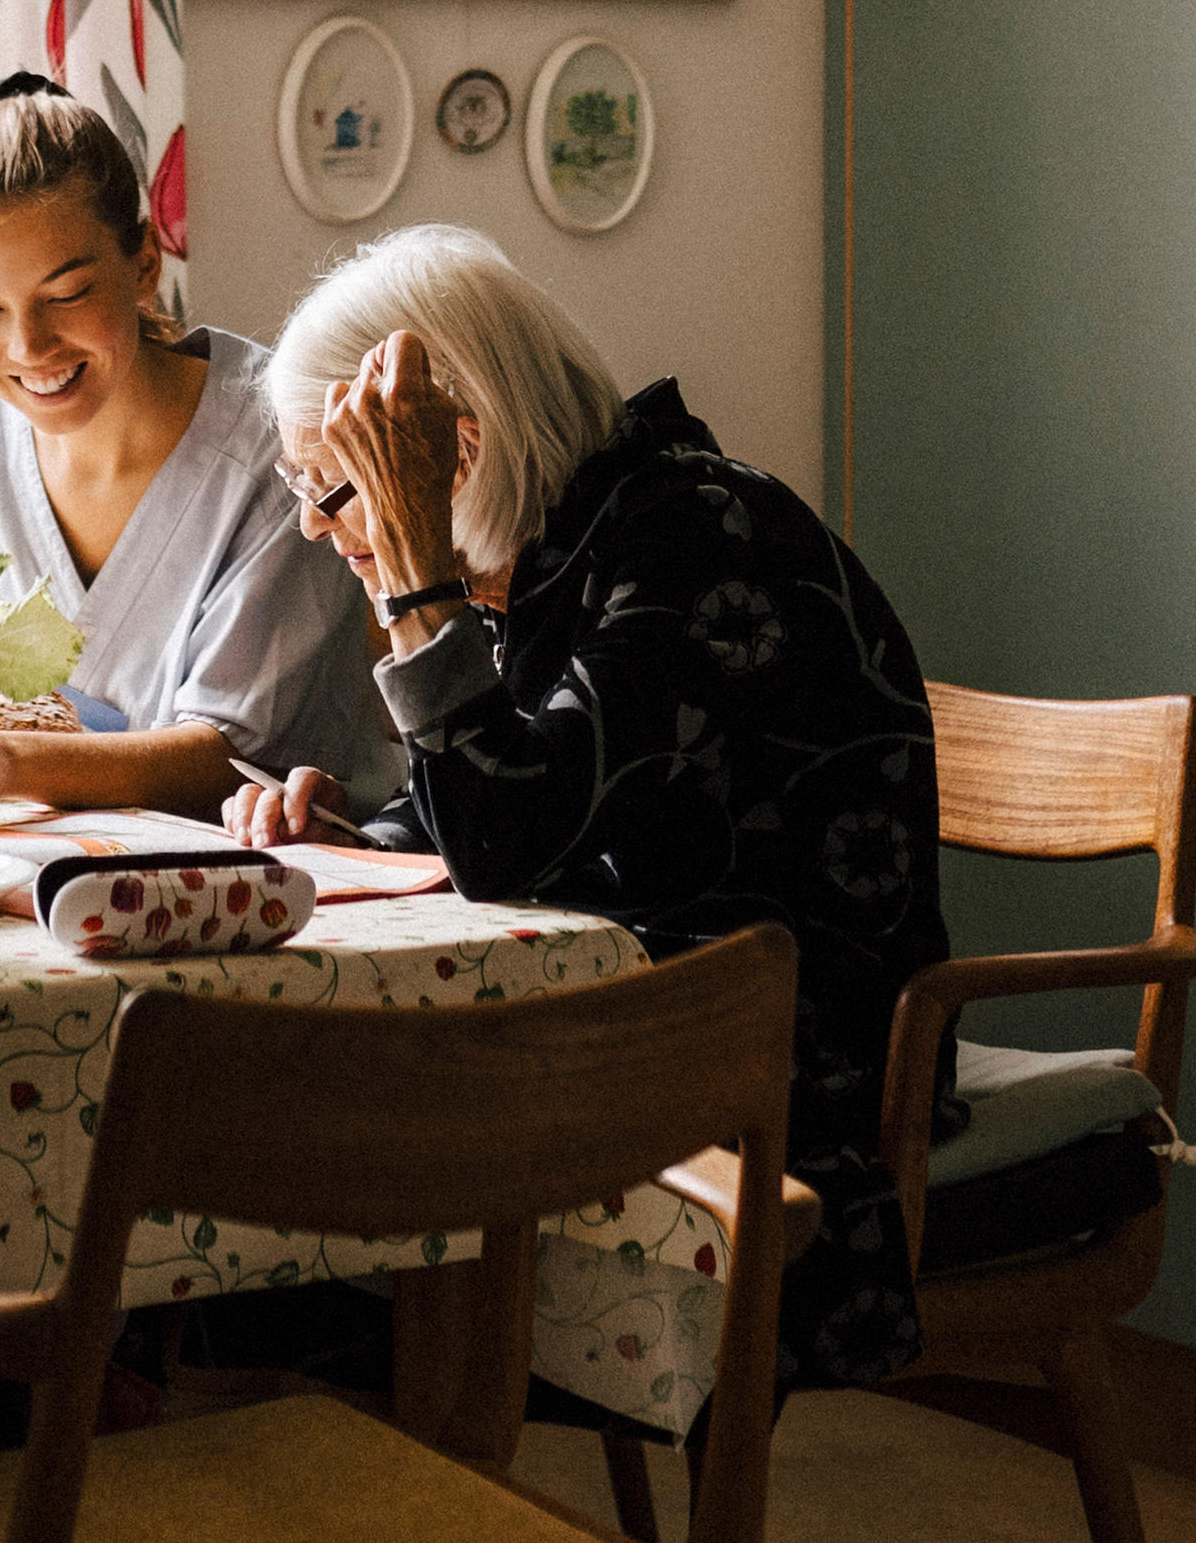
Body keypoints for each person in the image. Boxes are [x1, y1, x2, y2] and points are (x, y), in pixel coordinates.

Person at [228, 225, 952, 1393]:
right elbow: (486, 812)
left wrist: (412, 568)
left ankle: (397, 1446)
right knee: (299, 1122)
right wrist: (351, 840)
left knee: (330, 1149)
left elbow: (511, 838)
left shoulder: (697, 537)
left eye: (335, 487)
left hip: (781, 1048)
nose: (316, 528)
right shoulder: (560, 551)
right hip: (633, 1004)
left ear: (452, 451)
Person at [0, 75, 396, 817]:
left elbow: (230, 757)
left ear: (145, 263)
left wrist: (6, 761)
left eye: (66, 295)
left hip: (269, 880)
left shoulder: (273, 436)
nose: (29, 345)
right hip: (8, 872)